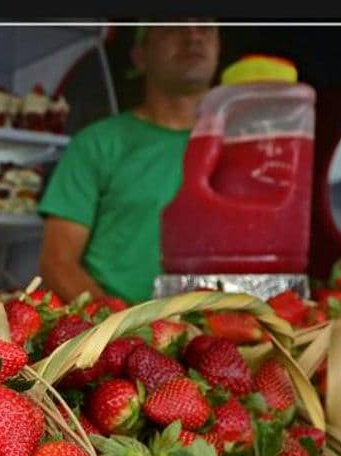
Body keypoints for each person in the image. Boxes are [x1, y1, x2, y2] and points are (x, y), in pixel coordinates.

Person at [37, 23, 220, 304]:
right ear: (140, 55)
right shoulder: (96, 143)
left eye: (206, 27)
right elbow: (57, 263)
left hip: (220, 336)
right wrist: (122, 330)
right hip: (117, 337)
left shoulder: (240, 148)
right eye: (174, 26)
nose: (193, 35)